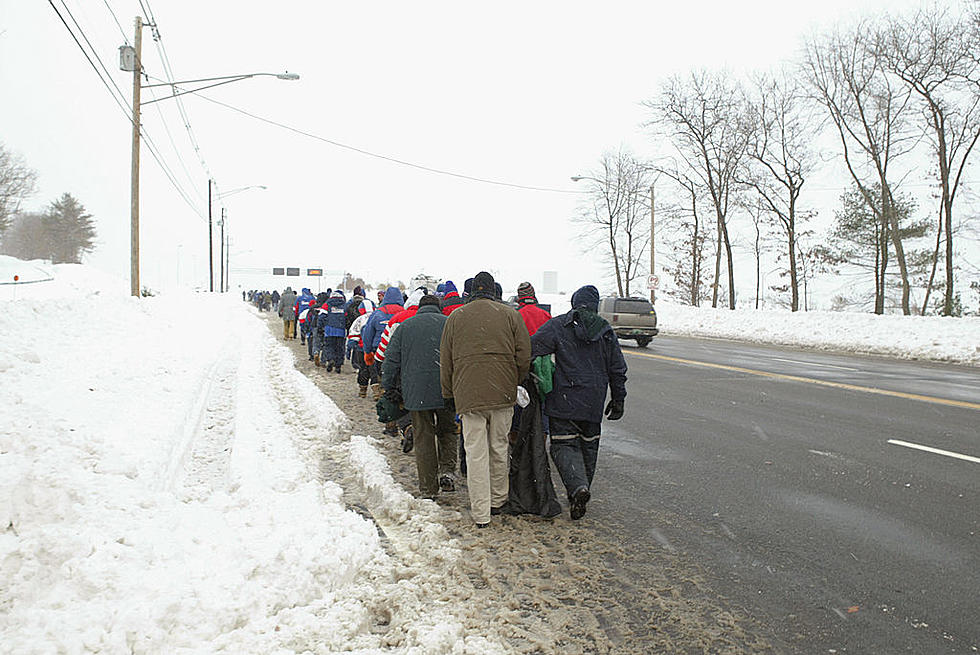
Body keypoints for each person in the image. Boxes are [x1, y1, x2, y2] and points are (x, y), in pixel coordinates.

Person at [440, 271, 530, 528]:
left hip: (468, 394)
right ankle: (498, 500)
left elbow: (445, 360)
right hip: (502, 392)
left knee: (475, 452)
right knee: (499, 447)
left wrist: (448, 393)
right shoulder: (511, 315)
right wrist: (514, 379)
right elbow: (523, 355)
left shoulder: (456, 317)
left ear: (471, 292)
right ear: (493, 290)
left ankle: (481, 513)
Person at [530, 285, 627, 520]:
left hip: (565, 398)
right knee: (588, 446)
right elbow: (617, 368)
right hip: (593, 400)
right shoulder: (605, 330)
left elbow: (532, 347)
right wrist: (618, 399)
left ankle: (578, 488)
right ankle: (579, 493)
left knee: (563, 446)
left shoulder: (559, 325)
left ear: (574, 302)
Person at [382, 294, 458, 497]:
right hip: (447, 389)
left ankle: (428, 488)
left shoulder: (406, 327)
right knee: (448, 430)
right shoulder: (450, 324)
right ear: (438, 307)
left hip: (416, 391)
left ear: (419, 308)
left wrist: (387, 387)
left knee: (423, 436)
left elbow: (391, 360)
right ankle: (448, 472)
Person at [362, 287, 404, 400]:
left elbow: (368, 333)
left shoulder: (377, 314)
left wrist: (367, 351)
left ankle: (381, 390)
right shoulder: (404, 313)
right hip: (399, 349)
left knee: (381, 371)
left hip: (380, 349)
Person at [346, 297, 376, 397]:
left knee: (363, 368)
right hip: (373, 349)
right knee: (374, 369)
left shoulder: (359, 319)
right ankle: (376, 391)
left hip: (361, 349)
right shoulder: (376, 316)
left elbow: (353, 334)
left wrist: (350, 348)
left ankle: (362, 390)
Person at [322, 289, 347, 372]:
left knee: (329, 346)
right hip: (341, 331)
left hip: (329, 330)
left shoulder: (327, 304)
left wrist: (320, 326)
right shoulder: (344, 305)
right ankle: (338, 365)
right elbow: (347, 317)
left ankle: (330, 359)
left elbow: (322, 316)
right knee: (340, 348)